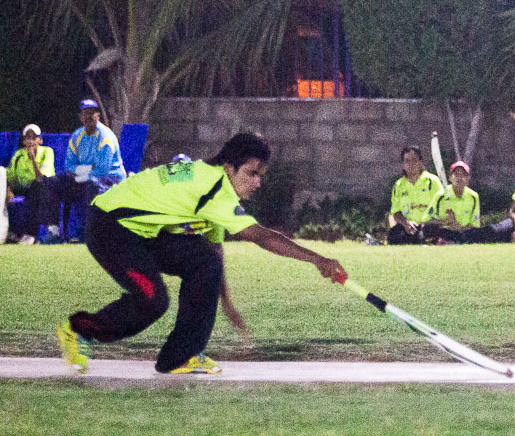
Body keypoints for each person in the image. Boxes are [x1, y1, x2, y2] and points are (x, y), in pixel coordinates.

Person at [56, 132, 345, 374]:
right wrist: (318, 259)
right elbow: (261, 236)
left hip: (144, 233)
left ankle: (182, 356)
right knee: (153, 301)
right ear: (229, 167)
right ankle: (79, 329)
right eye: (252, 173)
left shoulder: (211, 180)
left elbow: (213, 253)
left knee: (203, 260)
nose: (258, 182)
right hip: (110, 228)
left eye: (261, 175)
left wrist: (227, 304)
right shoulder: (214, 187)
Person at [52, 99, 126, 242]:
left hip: (111, 181)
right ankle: (53, 231)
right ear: (80, 116)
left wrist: (80, 174)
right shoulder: (77, 136)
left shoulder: (105, 136)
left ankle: (89, 233)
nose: (88, 117)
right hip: (85, 178)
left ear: (98, 116)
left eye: (91, 113)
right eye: (85, 113)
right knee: (52, 182)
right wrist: (88, 169)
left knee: (91, 185)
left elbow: (102, 170)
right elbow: (69, 165)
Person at [7, 124, 56, 243]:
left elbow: (41, 178)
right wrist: (8, 190)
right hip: (22, 186)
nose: (31, 141)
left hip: (42, 188)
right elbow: (9, 176)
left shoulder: (47, 152)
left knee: (37, 186)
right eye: (28, 138)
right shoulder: (19, 154)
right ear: (24, 141)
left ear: (40, 140)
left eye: (34, 138)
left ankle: (30, 234)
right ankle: (9, 233)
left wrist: (33, 157)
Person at [387, 146, 444, 245]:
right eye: (407, 161)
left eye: (414, 160)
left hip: (428, 225)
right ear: (403, 164)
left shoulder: (432, 181)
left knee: (425, 234)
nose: (411, 164)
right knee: (394, 235)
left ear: (421, 162)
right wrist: (406, 223)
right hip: (409, 226)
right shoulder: (399, 185)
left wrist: (428, 222)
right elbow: (396, 212)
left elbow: (442, 206)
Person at [424, 161, 481, 244]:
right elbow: (427, 220)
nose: (459, 178)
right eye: (456, 174)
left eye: (463, 175)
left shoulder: (473, 196)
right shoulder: (441, 195)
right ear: (450, 177)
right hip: (444, 231)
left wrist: (460, 228)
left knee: (480, 233)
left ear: (468, 178)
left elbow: (474, 224)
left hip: (463, 232)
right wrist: (446, 221)